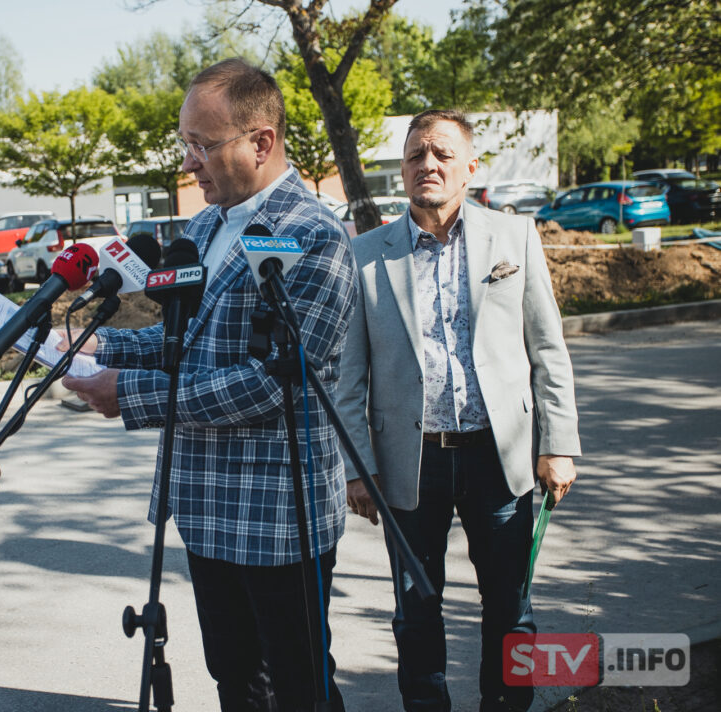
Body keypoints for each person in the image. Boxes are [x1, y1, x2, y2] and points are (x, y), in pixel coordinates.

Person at [61, 59, 357, 710]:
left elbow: (268, 383)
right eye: (185, 144)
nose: (188, 164)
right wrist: (89, 346)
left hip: (278, 516)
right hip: (203, 507)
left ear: (261, 142)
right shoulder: (203, 229)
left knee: (298, 687)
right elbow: (179, 345)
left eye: (201, 145)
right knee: (235, 678)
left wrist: (127, 395)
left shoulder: (314, 236)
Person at [335, 110, 581, 712]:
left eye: (443, 154)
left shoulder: (514, 238)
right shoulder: (366, 255)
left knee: (510, 609)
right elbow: (348, 378)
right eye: (417, 155)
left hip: (499, 458)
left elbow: (547, 349)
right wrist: (356, 468)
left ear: (470, 167)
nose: (429, 165)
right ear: (402, 169)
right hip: (409, 464)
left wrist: (558, 444)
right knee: (415, 614)